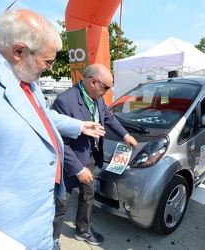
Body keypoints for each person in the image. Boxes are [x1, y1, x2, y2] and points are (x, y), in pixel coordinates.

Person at [0, 9, 105, 249]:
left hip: (38, 225)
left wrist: (80, 125)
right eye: (47, 61)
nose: (49, 68)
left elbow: (42, 117)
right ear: (19, 51)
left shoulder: (24, 77)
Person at [51, 64, 138, 249]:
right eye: (106, 88)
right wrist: (78, 169)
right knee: (61, 204)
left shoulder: (97, 98)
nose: (107, 92)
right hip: (70, 163)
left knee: (88, 197)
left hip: (89, 158)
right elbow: (60, 143)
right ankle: (52, 239)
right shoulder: (64, 101)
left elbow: (108, 118)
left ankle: (82, 230)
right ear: (93, 82)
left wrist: (125, 135)